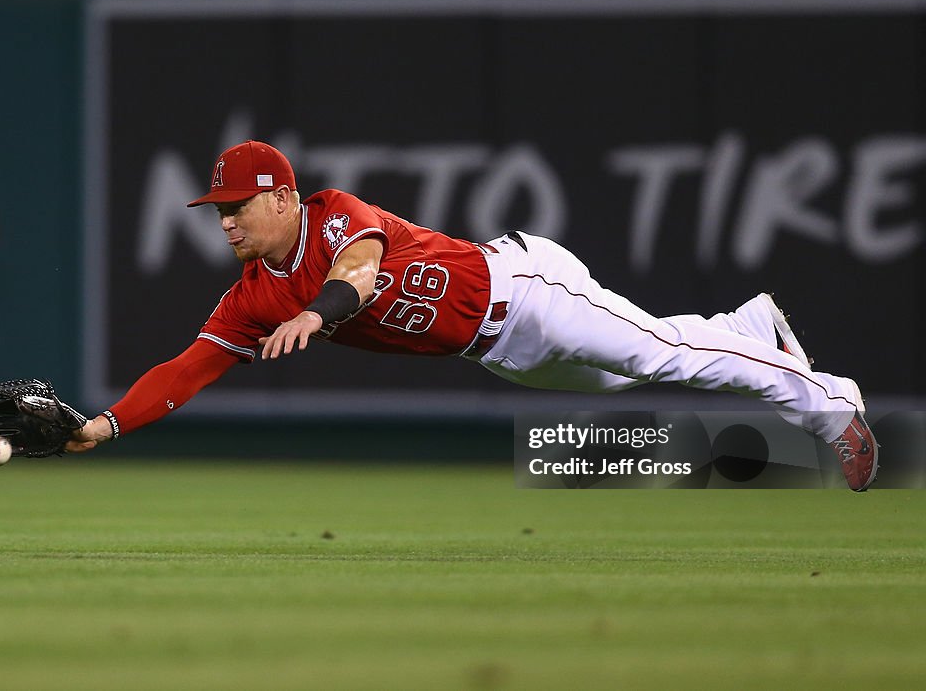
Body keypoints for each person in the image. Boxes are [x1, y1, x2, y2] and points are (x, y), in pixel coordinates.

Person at [67, 140, 878, 491]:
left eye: (238, 206)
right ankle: (749, 328)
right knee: (626, 375)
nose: (226, 222)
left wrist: (318, 314)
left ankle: (830, 404)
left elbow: (361, 268)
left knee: (660, 358)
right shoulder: (248, 298)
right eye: (218, 211)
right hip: (494, 351)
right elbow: (185, 371)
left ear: (283, 195)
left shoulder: (334, 214)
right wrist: (98, 428)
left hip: (524, 288)